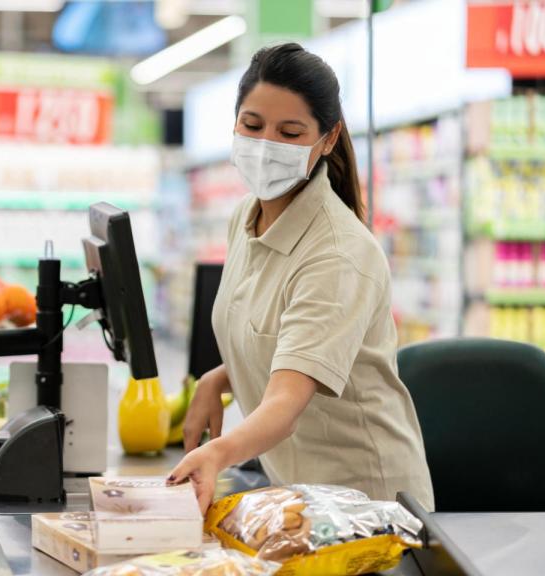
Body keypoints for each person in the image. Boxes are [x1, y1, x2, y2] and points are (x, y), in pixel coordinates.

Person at [169, 44, 435, 513]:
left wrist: (217, 452)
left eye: (289, 133)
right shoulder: (245, 218)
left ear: (328, 139)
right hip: (300, 495)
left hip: (368, 505)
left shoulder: (338, 253)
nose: (266, 144)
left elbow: (286, 404)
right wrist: (219, 378)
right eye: (252, 126)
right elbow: (283, 339)